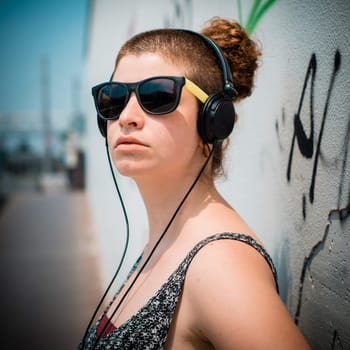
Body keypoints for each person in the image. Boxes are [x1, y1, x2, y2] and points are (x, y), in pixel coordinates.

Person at [80, 17, 311, 349]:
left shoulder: (220, 263)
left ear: (213, 121)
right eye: (113, 98)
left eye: (157, 95)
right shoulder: (165, 240)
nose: (126, 116)